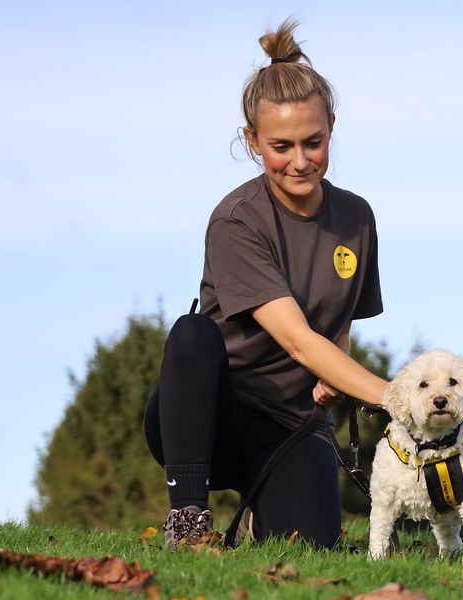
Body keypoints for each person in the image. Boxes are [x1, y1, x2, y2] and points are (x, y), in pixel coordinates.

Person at [143, 18, 388, 550]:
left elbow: (336, 318)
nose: (300, 161)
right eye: (281, 146)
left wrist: (336, 380)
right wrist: (393, 398)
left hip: (291, 425)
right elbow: (300, 340)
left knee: (310, 547)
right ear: (252, 141)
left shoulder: (358, 218)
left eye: (313, 142)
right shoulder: (236, 221)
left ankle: (261, 508)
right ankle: (188, 520)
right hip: (210, 419)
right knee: (191, 333)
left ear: (332, 128)